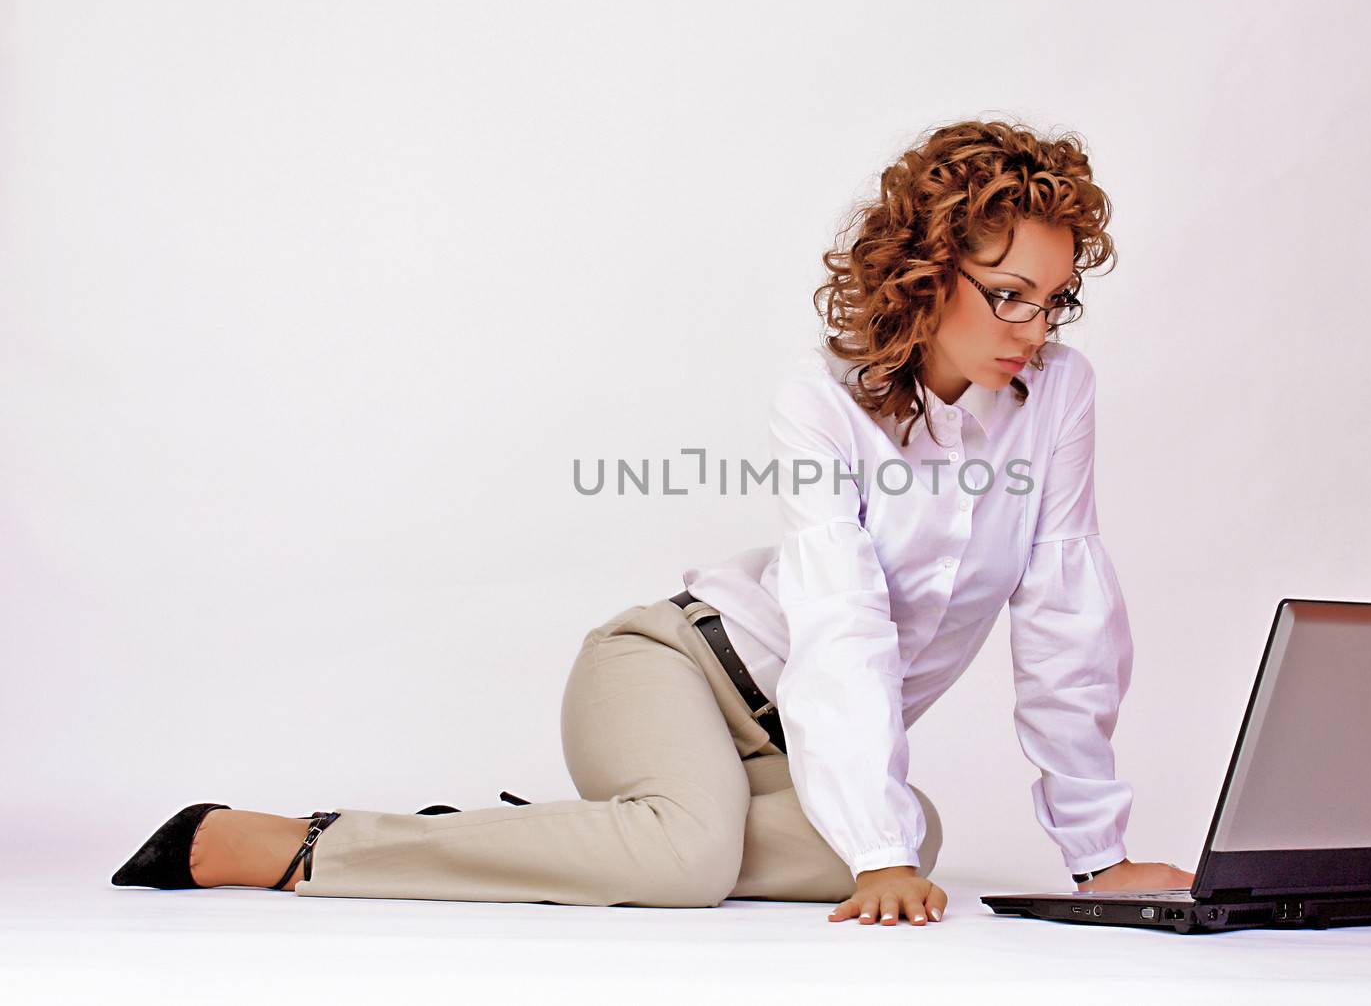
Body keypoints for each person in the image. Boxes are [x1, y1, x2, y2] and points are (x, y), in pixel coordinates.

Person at [110, 117, 1194, 925]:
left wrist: (1097, 859)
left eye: (1053, 299)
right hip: (672, 666)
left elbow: (1065, 612)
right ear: (926, 272)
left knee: (915, 839)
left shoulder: (1057, 395)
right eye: (1007, 291)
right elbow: (841, 620)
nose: (1032, 325)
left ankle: (557, 842)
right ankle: (294, 846)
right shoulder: (824, 397)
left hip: (792, 737)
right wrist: (873, 849)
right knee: (698, 861)